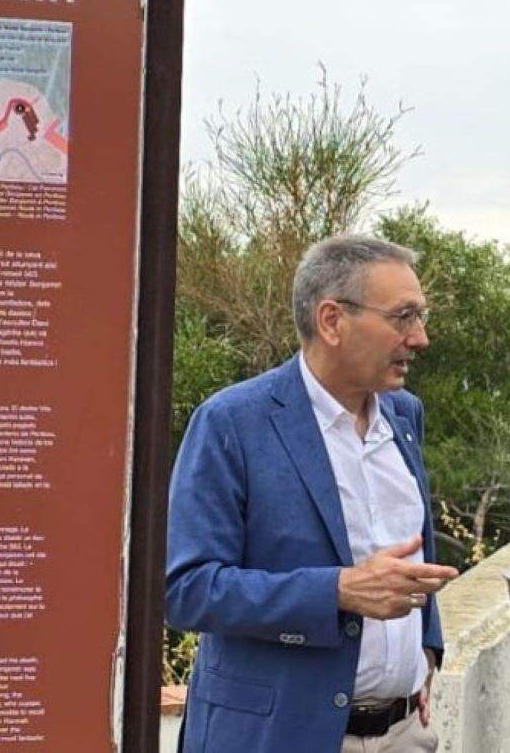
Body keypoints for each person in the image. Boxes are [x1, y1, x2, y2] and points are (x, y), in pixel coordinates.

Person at [166, 235, 459, 752]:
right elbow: (187, 590)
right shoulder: (232, 423)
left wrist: (426, 650)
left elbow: (413, 552)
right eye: (404, 317)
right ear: (332, 321)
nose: (421, 338)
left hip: (404, 736)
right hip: (275, 737)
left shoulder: (404, 414)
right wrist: (337, 591)